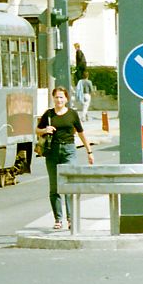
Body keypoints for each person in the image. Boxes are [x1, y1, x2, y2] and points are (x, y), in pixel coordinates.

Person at [36, 87, 94, 230]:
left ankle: (70, 218)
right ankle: (58, 219)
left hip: (68, 150)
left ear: (66, 99)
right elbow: (37, 129)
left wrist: (89, 151)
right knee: (54, 187)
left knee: (69, 185)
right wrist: (45, 130)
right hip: (52, 152)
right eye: (56, 97)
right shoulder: (48, 114)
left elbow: (81, 133)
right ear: (53, 98)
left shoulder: (72, 114)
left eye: (61, 97)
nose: (59, 100)